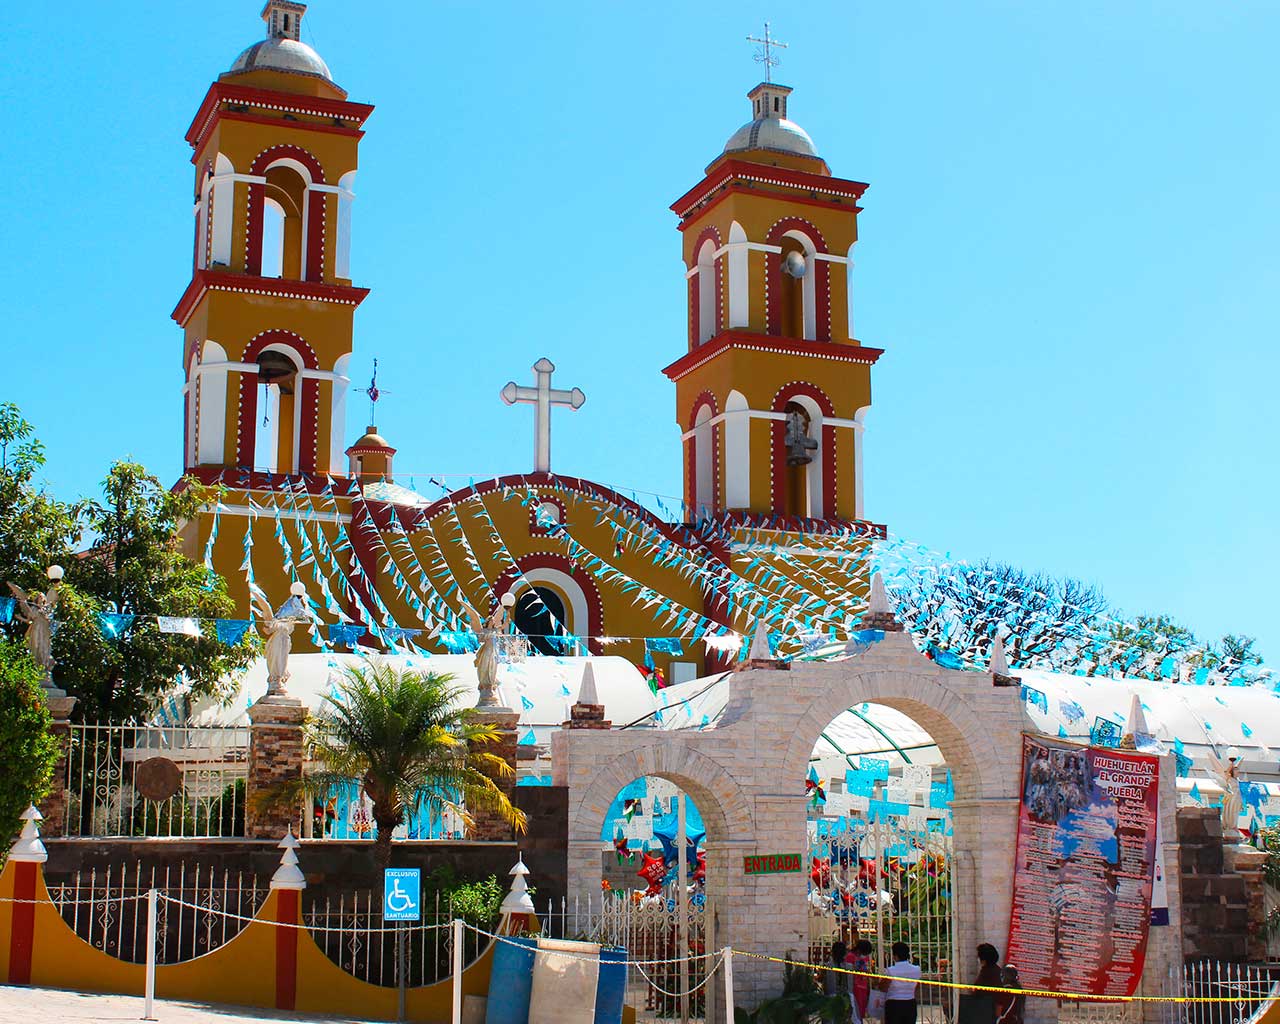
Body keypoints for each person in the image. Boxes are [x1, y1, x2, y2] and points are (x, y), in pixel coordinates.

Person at [879, 941, 921, 1024]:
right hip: (910, 1003)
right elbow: (917, 986)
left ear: (895, 956)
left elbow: (883, 988)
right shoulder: (916, 969)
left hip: (894, 1004)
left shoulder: (891, 971)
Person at [846, 939, 874, 1021]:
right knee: (855, 1009)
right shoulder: (850, 957)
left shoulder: (865, 958)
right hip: (854, 986)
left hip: (863, 986)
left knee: (862, 1009)